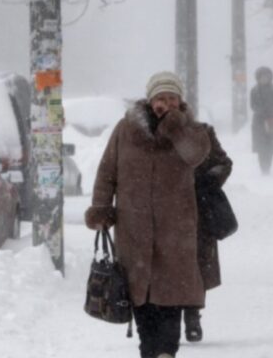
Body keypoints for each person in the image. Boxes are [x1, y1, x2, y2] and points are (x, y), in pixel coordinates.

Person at [85, 71, 210, 358]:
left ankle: (166, 353)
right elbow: (107, 172)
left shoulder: (193, 131)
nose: (165, 103)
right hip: (134, 233)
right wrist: (102, 208)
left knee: (169, 308)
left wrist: (175, 127)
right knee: (143, 310)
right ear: (150, 100)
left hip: (175, 235)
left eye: (172, 98)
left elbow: (195, 155)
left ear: (180, 102)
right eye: (160, 98)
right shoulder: (125, 130)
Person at [183, 125, 233, 343]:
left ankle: (192, 315)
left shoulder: (200, 131)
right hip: (164, 210)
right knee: (167, 265)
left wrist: (205, 182)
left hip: (199, 210)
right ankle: (170, 317)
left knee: (197, 263)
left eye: (172, 99)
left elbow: (224, 163)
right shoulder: (152, 135)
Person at [250, 67, 273, 174]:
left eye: (266, 77)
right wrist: (261, 111)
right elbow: (253, 105)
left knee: (271, 145)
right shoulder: (254, 91)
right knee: (261, 146)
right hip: (258, 121)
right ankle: (263, 167)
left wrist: (272, 111)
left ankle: (268, 166)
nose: (264, 79)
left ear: (269, 77)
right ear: (258, 78)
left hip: (272, 120)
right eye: (262, 77)